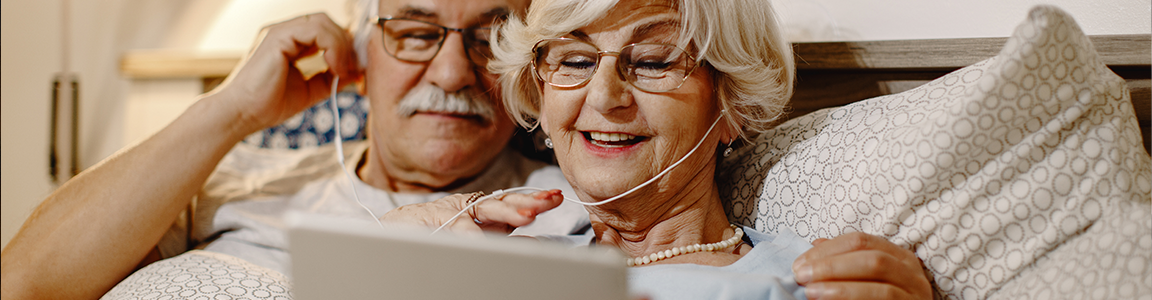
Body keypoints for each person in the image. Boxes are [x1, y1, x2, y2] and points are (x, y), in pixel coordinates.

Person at [0, 0, 589, 299]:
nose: (453, 72)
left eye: (490, 40)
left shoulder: (579, 213)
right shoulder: (232, 179)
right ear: (360, 57)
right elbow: (23, 284)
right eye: (414, 33)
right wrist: (231, 110)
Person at [381, 0, 935, 299]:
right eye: (573, 61)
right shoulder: (489, 258)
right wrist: (387, 272)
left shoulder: (811, 279)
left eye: (652, 61)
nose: (604, 96)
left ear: (731, 107)